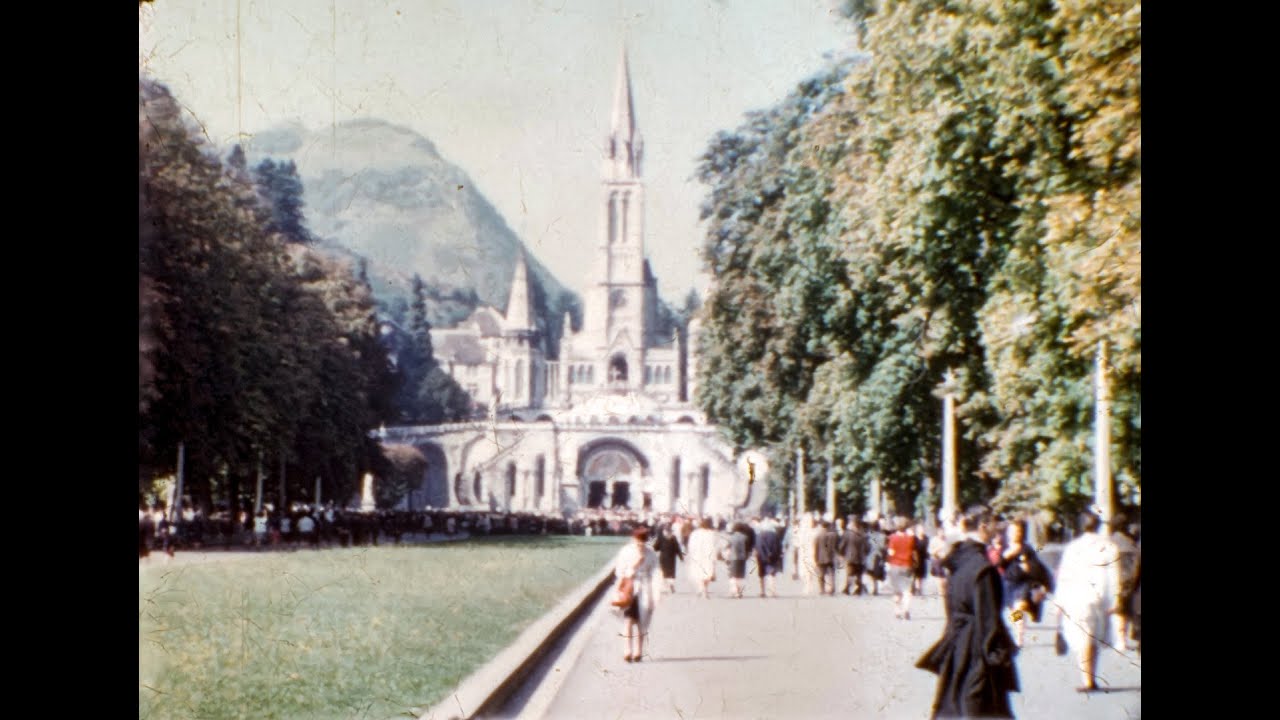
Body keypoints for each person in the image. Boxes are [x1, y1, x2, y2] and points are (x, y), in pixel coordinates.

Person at [917, 504, 1019, 718]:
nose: (996, 528)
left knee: (956, 705)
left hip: (958, 642)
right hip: (978, 649)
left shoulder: (959, 562)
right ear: (982, 526)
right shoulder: (983, 569)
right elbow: (988, 617)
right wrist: (998, 653)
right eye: (993, 523)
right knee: (981, 709)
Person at [1053, 511, 1121, 692]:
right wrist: (1115, 599)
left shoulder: (1073, 548)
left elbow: (1064, 577)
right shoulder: (1109, 546)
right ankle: (1091, 676)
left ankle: (1087, 680)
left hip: (1076, 598)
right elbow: (1114, 576)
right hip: (1099, 599)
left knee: (1082, 638)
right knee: (1092, 638)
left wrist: (1059, 604)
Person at [615, 526, 659, 662]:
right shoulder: (626, 551)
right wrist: (633, 567)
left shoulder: (651, 553)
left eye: (643, 541)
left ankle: (638, 650)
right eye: (638, 541)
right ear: (634, 539)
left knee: (642, 622)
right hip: (629, 588)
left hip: (645, 588)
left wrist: (656, 592)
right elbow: (619, 571)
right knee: (628, 620)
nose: (640, 544)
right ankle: (627, 649)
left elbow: (655, 572)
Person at [886, 516, 917, 619]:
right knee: (907, 589)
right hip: (907, 565)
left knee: (896, 589)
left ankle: (897, 610)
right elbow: (913, 552)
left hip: (894, 565)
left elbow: (890, 552)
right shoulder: (910, 538)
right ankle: (906, 609)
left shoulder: (892, 538)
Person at [686, 518, 721, 599]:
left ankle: (701, 588)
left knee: (699, 572)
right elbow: (716, 546)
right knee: (708, 573)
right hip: (708, 556)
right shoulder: (712, 534)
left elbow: (691, 545)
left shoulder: (695, 533)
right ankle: (704, 589)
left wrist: (691, 554)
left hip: (697, 556)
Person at [653, 524, 684, 595]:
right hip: (671, 558)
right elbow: (677, 548)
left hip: (663, 558)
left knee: (663, 573)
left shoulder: (660, 538)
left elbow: (655, 548)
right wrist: (681, 557)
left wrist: (656, 547)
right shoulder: (673, 538)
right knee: (671, 573)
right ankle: (671, 584)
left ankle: (666, 586)